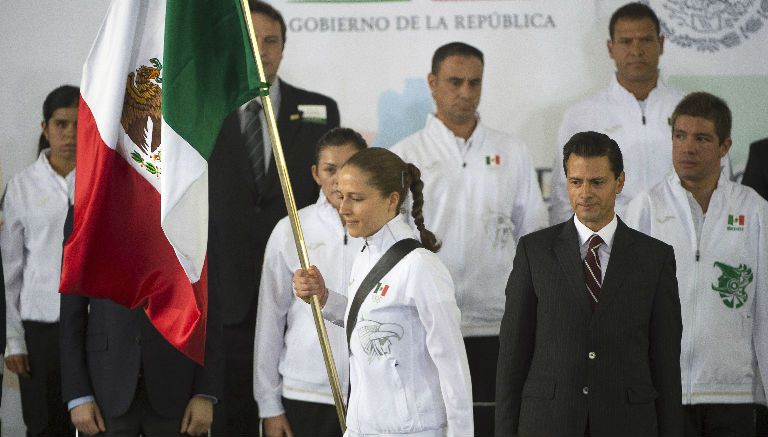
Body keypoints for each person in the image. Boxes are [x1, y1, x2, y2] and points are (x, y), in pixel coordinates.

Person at [391, 42, 547, 436]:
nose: (465, 92)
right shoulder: (403, 155)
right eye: (455, 82)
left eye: (474, 82)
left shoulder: (511, 151)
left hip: (498, 325)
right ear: (432, 83)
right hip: (425, 324)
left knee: (498, 426)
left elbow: (534, 238)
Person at [207, 1, 340, 434]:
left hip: (298, 298)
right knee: (233, 419)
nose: (262, 51)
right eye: (251, 41)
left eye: (271, 41)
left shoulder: (319, 110)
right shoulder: (204, 113)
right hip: (225, 296)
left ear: (283, 47)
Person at [495, 131, 684, 436]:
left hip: (627, 424)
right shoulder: (534, 252)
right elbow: (512, 359)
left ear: (619, 182)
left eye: (597, 182)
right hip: (548, 423)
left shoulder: (654, 258)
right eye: (576, 182)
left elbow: (665, 366)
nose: (585, 193)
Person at [293, 148, 473, 437]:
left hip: (414, 431)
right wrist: (325, 298)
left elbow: (453, 366)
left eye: (357, 198)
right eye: (341, 196)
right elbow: (371, 320)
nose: (344, 209)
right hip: (362, 426)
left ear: (392, 200)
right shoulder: (365, 254)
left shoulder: (421, 267)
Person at [626, 92, 767, 436]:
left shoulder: (755, 210)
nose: (687, 148)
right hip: (664, 391)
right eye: (680, 136)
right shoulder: (645, 208)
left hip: (735, 392)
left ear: (725, 146)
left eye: (702, 138)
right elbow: (626, 309)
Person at [60, 200, 223, 436]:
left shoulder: (190, 204)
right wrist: (78, 394)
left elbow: (211, 306)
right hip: (105, 387)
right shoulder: (87, 206)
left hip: (178, 386)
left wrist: (205, 391)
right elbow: (71, 313)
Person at [254, 128, 366, 437]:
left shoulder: (383, 231)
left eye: (351, 166)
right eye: (331, 169)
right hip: (304, 394)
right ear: (316, 174)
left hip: (370, 394)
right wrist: (269, 407)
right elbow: (270, 322)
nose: (340, 179)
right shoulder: (290, 229)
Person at [548, 2, 689, 224]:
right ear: (610, 48)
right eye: (626, 41)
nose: (636, 50)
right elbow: (563, 200)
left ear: (660, 44)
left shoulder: (688, 109)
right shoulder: (582, 116)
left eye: (645, 40)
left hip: (679, 243)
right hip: (610, 245)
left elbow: (715, 184)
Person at [1, 85, 79, 437]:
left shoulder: (103, 181)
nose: (71, 134)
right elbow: (10, 270)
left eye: (80, 125)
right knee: (46, 426)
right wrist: (14, 339)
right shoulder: (21, 186)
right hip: (41, 328)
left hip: (95, 327)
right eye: (61, 124)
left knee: (99, 421)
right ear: (44, 128)